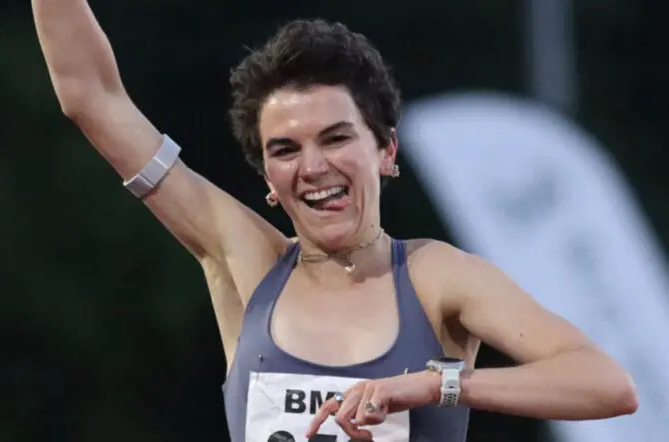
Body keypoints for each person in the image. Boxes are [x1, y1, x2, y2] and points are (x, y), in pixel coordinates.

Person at [32, 1, 638, 441]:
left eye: (336, 138)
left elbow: (607, 385)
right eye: (285, 149)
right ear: (268, 179)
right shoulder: (248, 262)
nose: (314, 167)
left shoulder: (436, 277)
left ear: (386, 150)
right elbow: (91, 97)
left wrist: (434, 386)